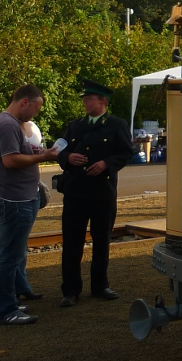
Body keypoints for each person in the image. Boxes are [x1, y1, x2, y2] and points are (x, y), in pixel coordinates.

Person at [57, 80, 134, 307]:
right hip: (76, 192)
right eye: (84, 99)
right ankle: (70, 289)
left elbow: (126, 153)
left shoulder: (116, 125)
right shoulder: (75, 126)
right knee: (72, 243)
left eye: (89, 99)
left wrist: (106, 164)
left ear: (102, 101)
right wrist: (67, 158)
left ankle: (100, 285)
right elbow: (61, 150)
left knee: (102, 241)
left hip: (102, 192)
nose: (85, 103)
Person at [0, 85, 58, 325]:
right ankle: (6, 309)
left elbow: (16, 154)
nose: (36, 114)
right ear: (24, 102)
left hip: (19, 197)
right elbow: (10, 161)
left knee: (7, 254)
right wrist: (43, 157)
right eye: (36, 107)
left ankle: (5, 302)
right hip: (15, 200)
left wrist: (36, 151)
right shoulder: (8, 124)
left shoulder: (9, 123)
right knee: (9, 257)